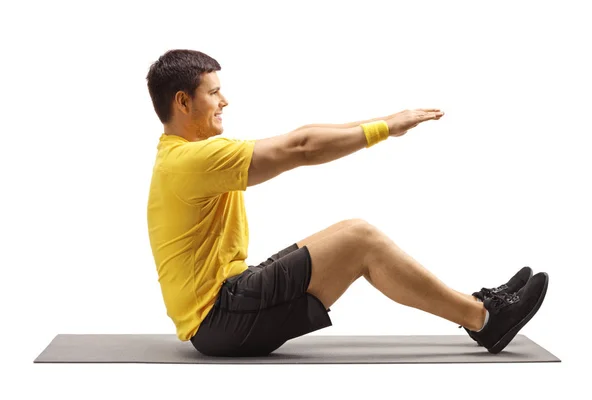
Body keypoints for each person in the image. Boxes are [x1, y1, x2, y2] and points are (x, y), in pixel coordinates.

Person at [146, 49, 549, 357]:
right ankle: (486, 319)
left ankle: (477, 307)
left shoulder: (184, 156)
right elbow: (302, 148)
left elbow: (301, 135)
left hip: (225, 307)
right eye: (214, 92)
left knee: (348, 232)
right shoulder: (193, 160)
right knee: (359, 238)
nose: (225, 101)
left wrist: (385, 122)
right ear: (183, 102)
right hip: (220, 319)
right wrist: (385, 129)